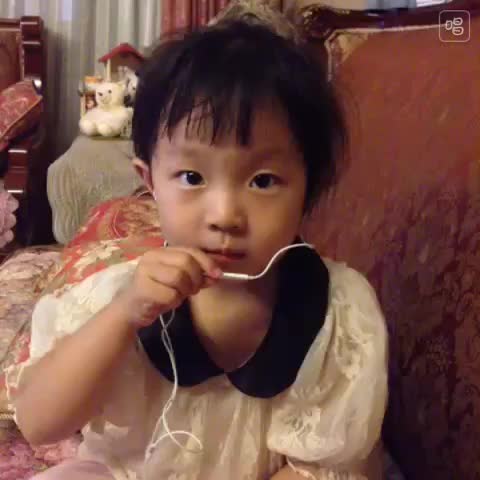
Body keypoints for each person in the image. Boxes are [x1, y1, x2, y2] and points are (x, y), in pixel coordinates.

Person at [5, 16, 388, 480]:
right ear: (150, 182)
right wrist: (123, 315)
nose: (224, 215)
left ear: (309, 189)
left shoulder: (338, 313)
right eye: (192, 177)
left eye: (263, 181)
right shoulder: (116, 296)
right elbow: (40, 423)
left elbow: (320, 467)